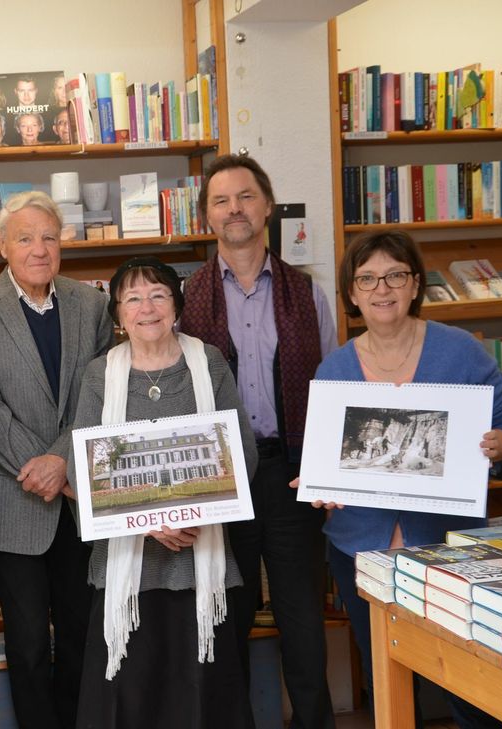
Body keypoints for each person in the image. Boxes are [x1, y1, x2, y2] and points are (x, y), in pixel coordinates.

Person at [309, 229, 502, 729]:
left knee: (469, 673)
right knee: (387, 673)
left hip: (449, 545)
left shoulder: (461, 351)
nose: (381, 289)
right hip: (360, 548)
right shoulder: (335, 369)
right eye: (367, 279)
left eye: (394, 275)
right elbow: (323, 461)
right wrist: (320, 487)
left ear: (414, 283)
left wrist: (498, 443)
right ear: (352, 293)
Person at [180, 153, 336, 729]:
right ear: (207, 216)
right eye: (220, 200)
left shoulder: (307, 293)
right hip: (220, 480)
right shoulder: (185, 297)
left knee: (302, 619)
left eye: (245, 196)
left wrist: (322, 469)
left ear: (266, 206)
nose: (234, 209)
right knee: (227, 618)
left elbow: (331, 385)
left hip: (291, 473)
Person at [0, 191, 114, 729]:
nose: (39, 248)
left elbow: (102, 393)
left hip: (77, 497)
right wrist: (38, 468)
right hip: (10, 499)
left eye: (49, 236)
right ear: (2, 247)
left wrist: (63, 462)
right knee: (24, 645)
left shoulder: (91, 305)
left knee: (80, 634)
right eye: (24, 238)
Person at [71, 257, 258, 729]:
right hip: (127, 567)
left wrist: (193, 513)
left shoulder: (208, 360)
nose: (146, 307)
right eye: (132, 298)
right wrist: (148, 521)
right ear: (117, 315)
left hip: (201, 554)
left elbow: (241, 450)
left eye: (157, 294)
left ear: (176, 304)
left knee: (201, 693)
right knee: (130, 697)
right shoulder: (100, 374)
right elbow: (86, 466)